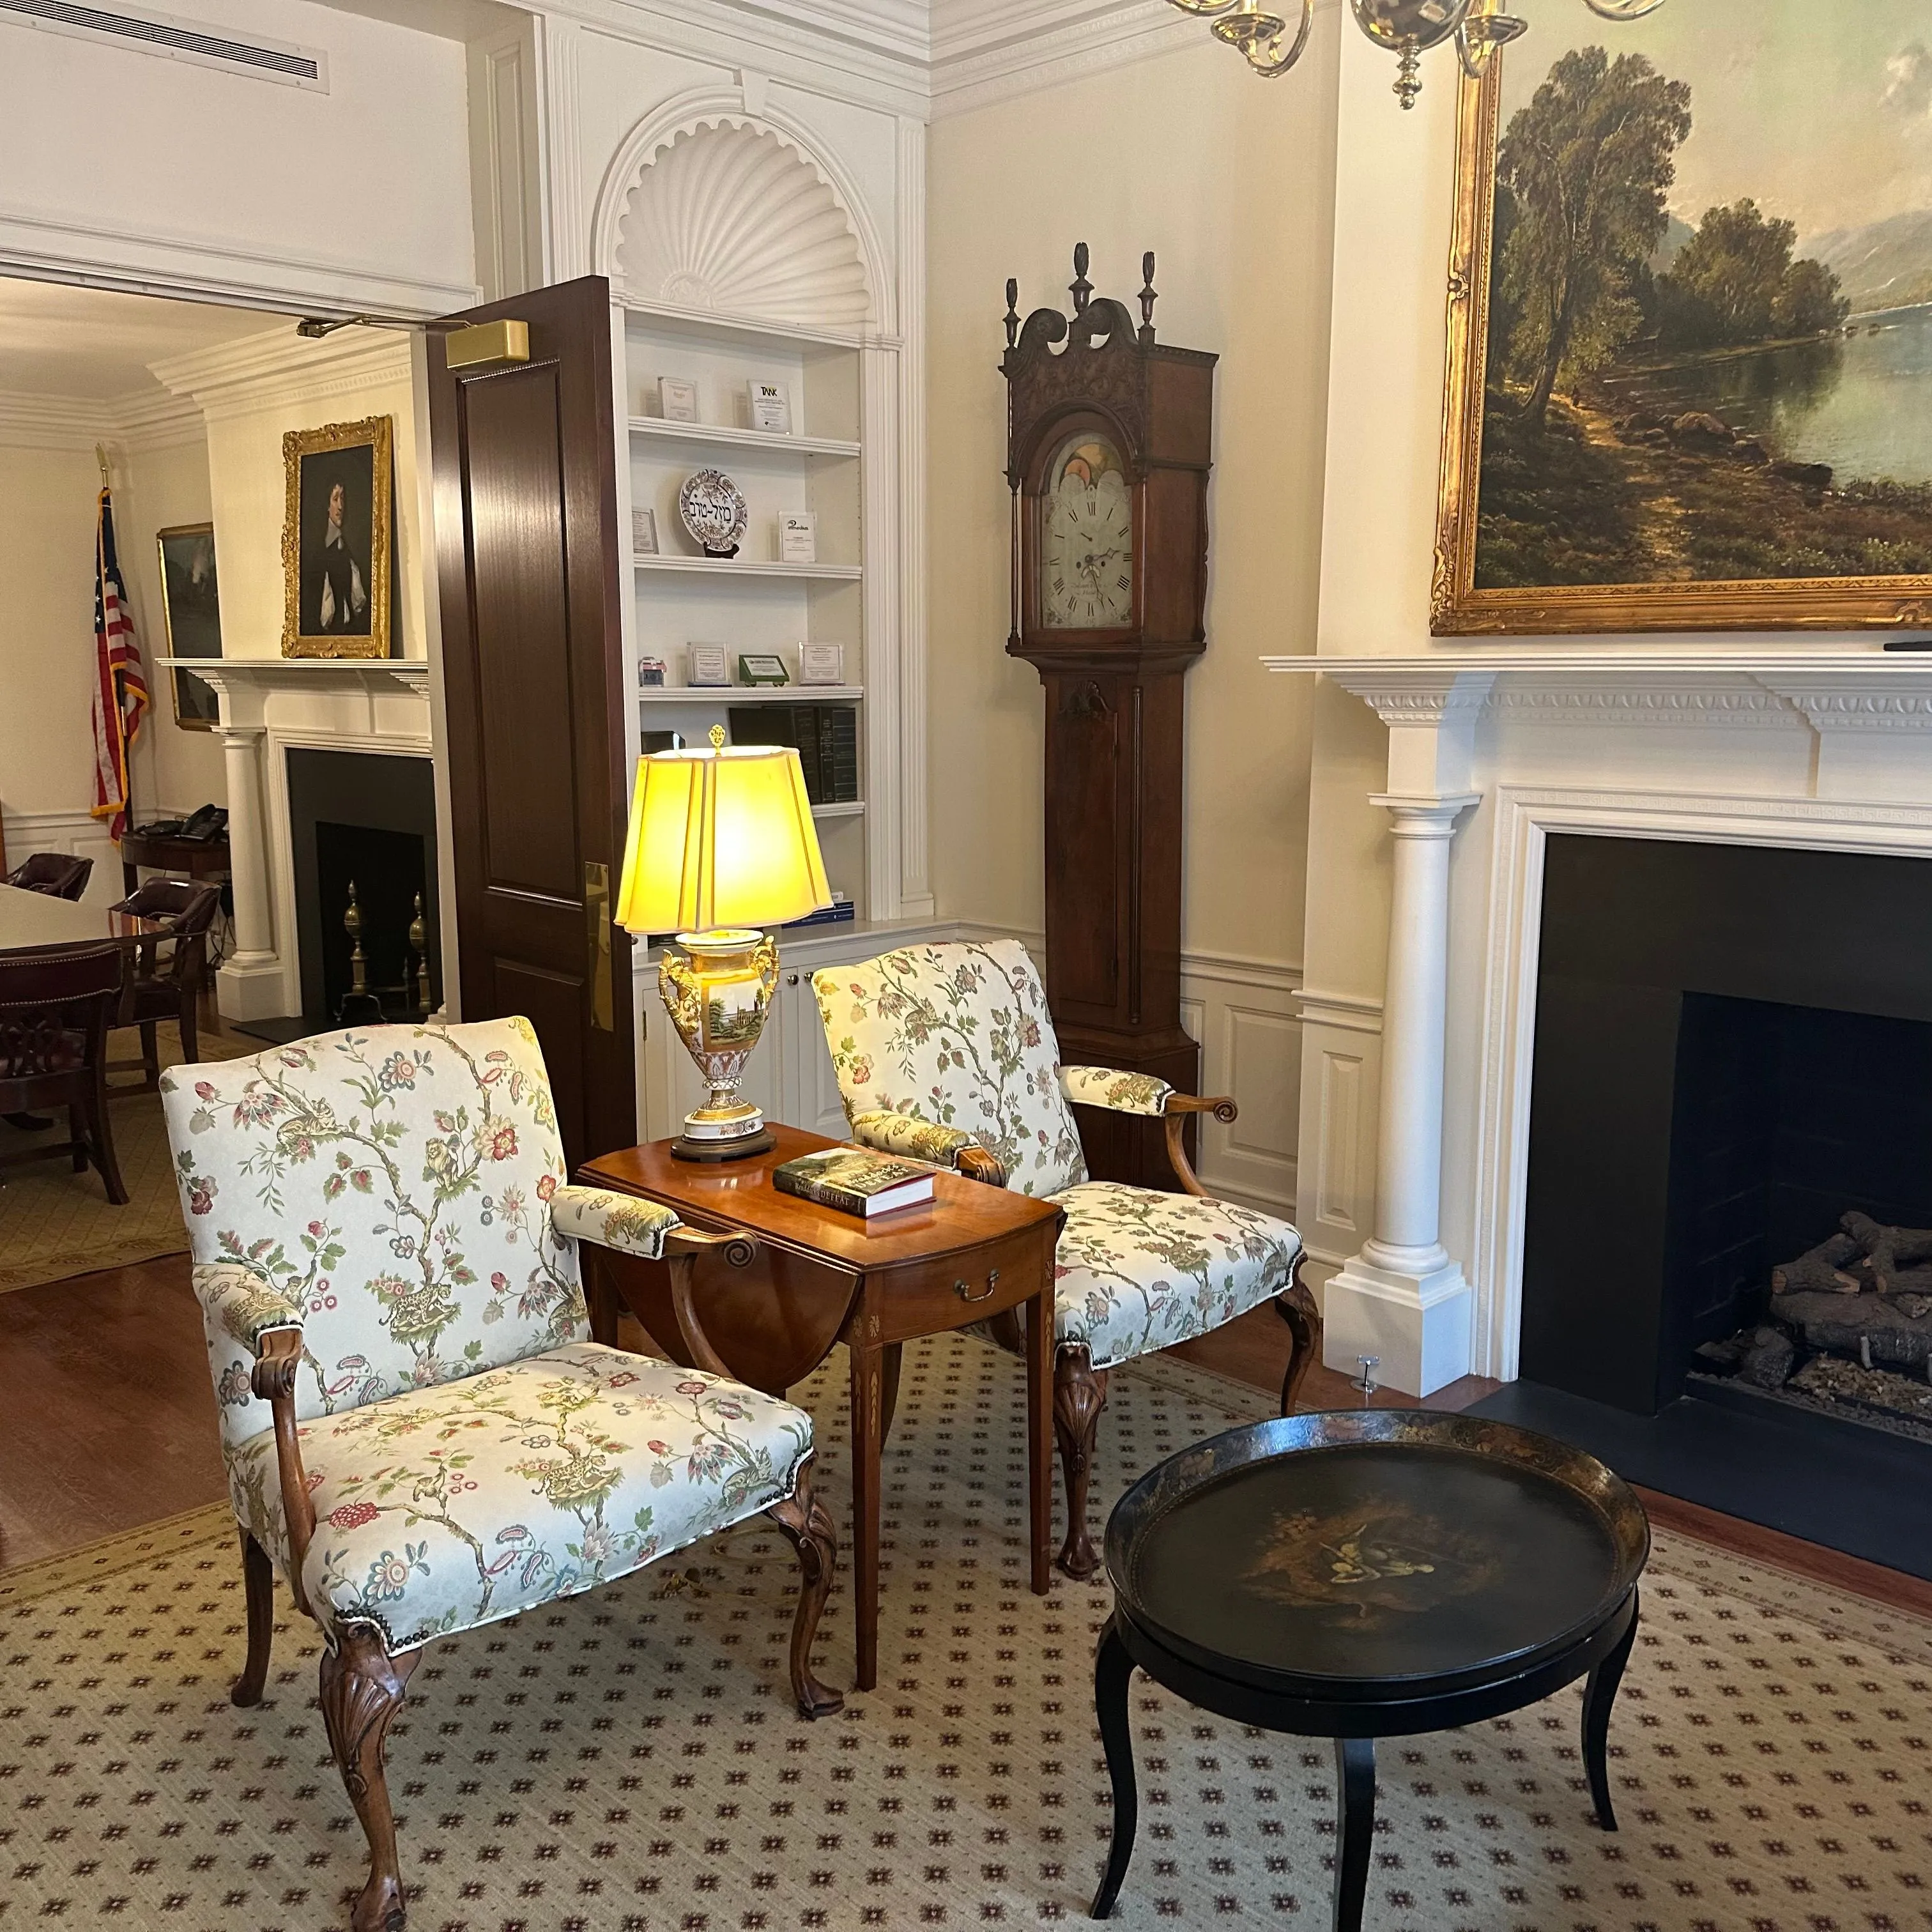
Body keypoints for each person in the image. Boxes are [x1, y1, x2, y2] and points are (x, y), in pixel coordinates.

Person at [311, 477, 369, 633]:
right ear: (327, 505)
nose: (340, 506)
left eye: (342, 499)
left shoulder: (347, 546)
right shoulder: (319, 549)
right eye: (335, 499)